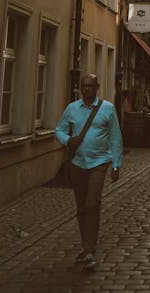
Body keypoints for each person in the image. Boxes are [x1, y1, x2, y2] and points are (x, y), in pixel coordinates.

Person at [55, 74, 123, 272]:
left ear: (97, 87)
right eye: (84, 86)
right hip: (77, 164)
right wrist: (68, 140)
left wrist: (116, 164)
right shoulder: (72, 108)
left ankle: (90, 250)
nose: (87, 89)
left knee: (92, 204)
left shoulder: (108, 109)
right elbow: (58, 130)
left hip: (99, 163)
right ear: (80, 88)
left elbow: (115, 137)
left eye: (90, 86)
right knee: (81, 207)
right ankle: (86, 247)